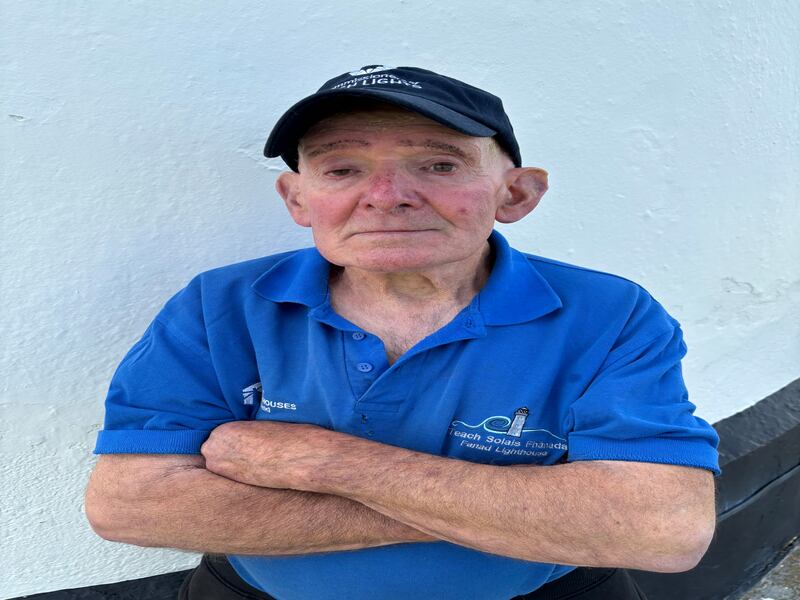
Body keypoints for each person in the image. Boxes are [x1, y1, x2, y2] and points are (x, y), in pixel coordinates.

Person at [85, 65, 720, 600]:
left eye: (439, 164)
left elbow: (662, 531)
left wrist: (329, 464)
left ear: (516, 195)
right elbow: (131, 507)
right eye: (342, 169)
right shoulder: (220, 304)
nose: (387, 196)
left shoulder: (608, 312)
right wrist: (527, 511)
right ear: (297, 199)